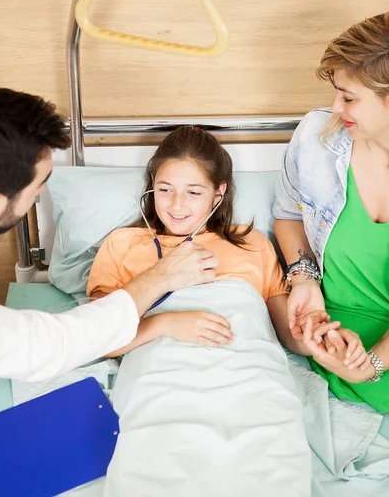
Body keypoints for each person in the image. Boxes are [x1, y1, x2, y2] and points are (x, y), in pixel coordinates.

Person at [0, 88, 219, 382]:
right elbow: (48, 345)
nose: (42, 192)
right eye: (38, 184)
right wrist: (160, 280)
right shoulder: (122, 245)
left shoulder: (252, 247)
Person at [87, 125, 312, 355]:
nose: (176, 204)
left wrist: (318, 339)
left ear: (218, 193)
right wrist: (165, 323)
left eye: (193, 192)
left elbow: (293, 338)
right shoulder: (122, 245)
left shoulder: (252, 245)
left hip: (246, 366)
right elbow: (95, 338)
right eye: (165, 189)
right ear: (153, 184)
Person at [273, 12, 389, 413]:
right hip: (321, 339)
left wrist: (369, 365)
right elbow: (288, 214)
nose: (334, 106)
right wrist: (304, 279)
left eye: (350, 97)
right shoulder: (317, 138)